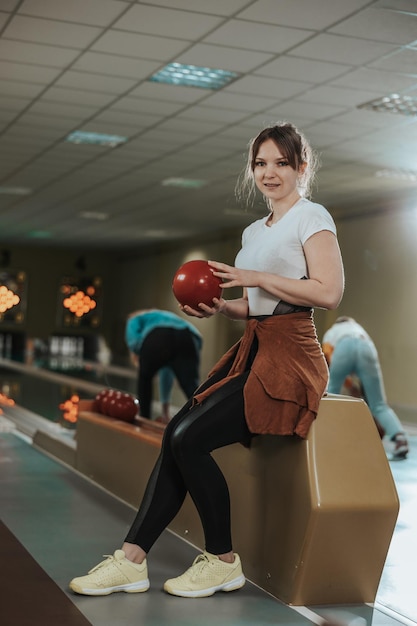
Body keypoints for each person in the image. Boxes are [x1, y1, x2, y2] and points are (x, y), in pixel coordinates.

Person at [69, 122, 344, 599]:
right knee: (177, 433)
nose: (269, 173)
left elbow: (329, 292)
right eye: (260, 163)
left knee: (188, 437)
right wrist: (221, 306)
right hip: (253, 348)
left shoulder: (311, 216)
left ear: (301, 167)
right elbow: (256, 304)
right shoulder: (254, 230)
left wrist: (252, 274)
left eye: (281, 163)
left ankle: (221, 561)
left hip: (292, 356)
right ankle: (132, 560)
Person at [322, 316, 409, 459]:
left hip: (343, 347)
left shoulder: (332, 332)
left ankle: (326, 436)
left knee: (331, 394)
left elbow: (328, 359)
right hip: (367, 346)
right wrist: (354, 386)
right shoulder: (359, 329)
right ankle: (400, 439)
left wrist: (349, 385)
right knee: (379, 403)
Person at [125, 309, 203, 421]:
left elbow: (133, 342)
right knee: (191, 388)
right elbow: (166, 374)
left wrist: (143, 357)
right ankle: (205, 421)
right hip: (188, 337)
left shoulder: (134, 319)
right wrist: (165, 413)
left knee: (145, 379)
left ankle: (144, 417)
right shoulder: (164, 316)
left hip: (157, 335)